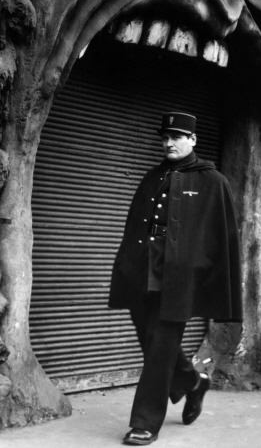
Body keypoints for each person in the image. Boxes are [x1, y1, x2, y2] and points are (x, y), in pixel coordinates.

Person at [109, 111, 242, 446]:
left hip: (180, 278)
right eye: (165, 137)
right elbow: (134, 228)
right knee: (151, 339)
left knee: (160, 349)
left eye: (177, 137)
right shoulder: (152, 177)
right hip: (144, 271)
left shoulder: (213, 182)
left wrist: (202, 274)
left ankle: (145, 423)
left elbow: (221, 238)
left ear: (193, 140)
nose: (168, 143)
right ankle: (193, 383)